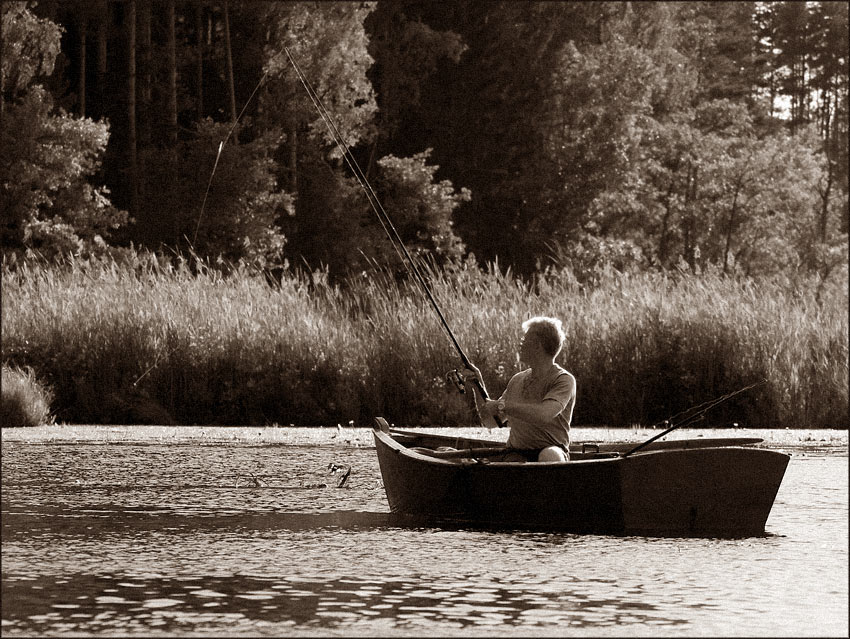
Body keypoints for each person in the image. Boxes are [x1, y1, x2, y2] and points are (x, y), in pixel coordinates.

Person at [463, 316, 576, 462]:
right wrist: (478, 387)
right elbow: (491, 422)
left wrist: (503, 405)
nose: (520, 345)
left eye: (524, 341)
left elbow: (544, 414)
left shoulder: (563, 380)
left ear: (538, 345)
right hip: (516, 453)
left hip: (552, 451)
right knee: (511, 460)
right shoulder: (517, 379)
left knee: (549, 455)